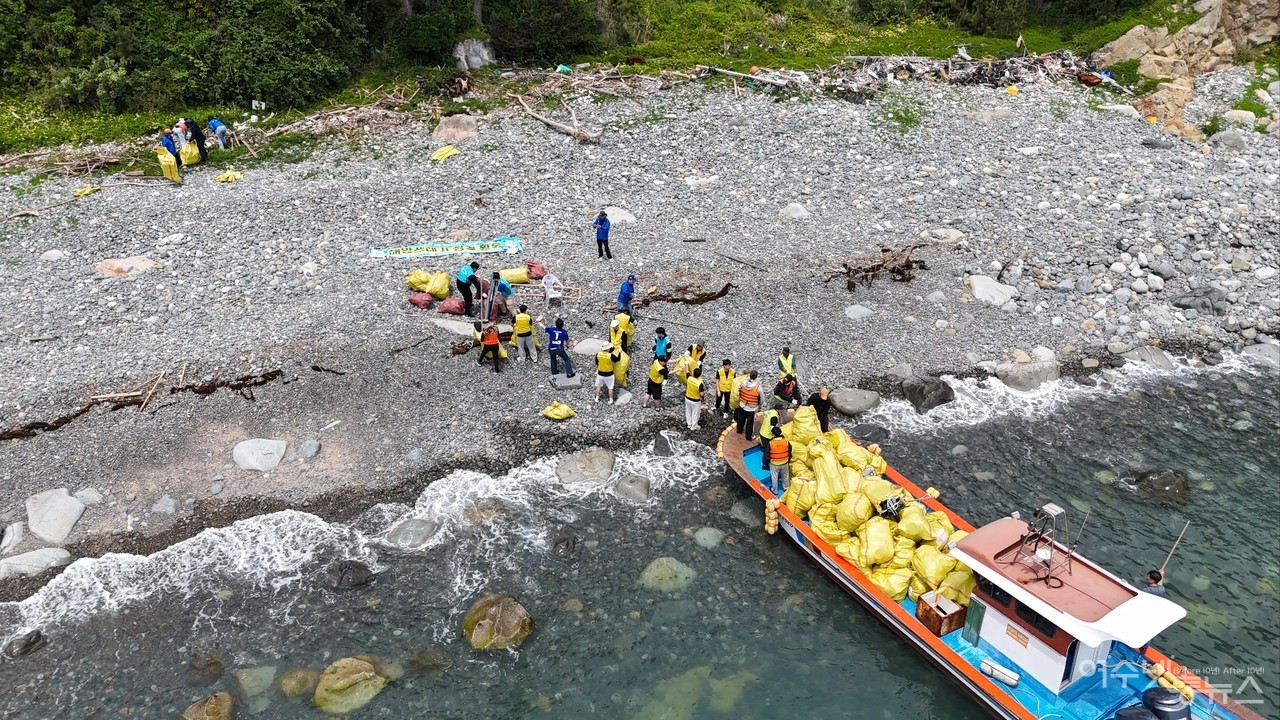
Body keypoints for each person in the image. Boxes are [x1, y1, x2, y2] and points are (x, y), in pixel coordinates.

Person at [735, 371, 762, 440]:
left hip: (742, 405)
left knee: (741, 419)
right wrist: (759, 406)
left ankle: (739, 430)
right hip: (751, 408)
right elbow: (762, 398)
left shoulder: (743, 383)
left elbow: (738, 391)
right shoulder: (758, 387)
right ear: (756, 377)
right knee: (750, 423)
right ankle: (749, 436)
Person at [685, 366, 705, 431]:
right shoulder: (699, 384)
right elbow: (701, 394)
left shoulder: (689, 378)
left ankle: (689, 424)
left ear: (693, 373)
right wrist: (703, 397)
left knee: (688, 411)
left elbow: (687, 371)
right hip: (695, 400)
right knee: (695, 414)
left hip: (687, 398)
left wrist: (686, 364)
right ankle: (694, 426)